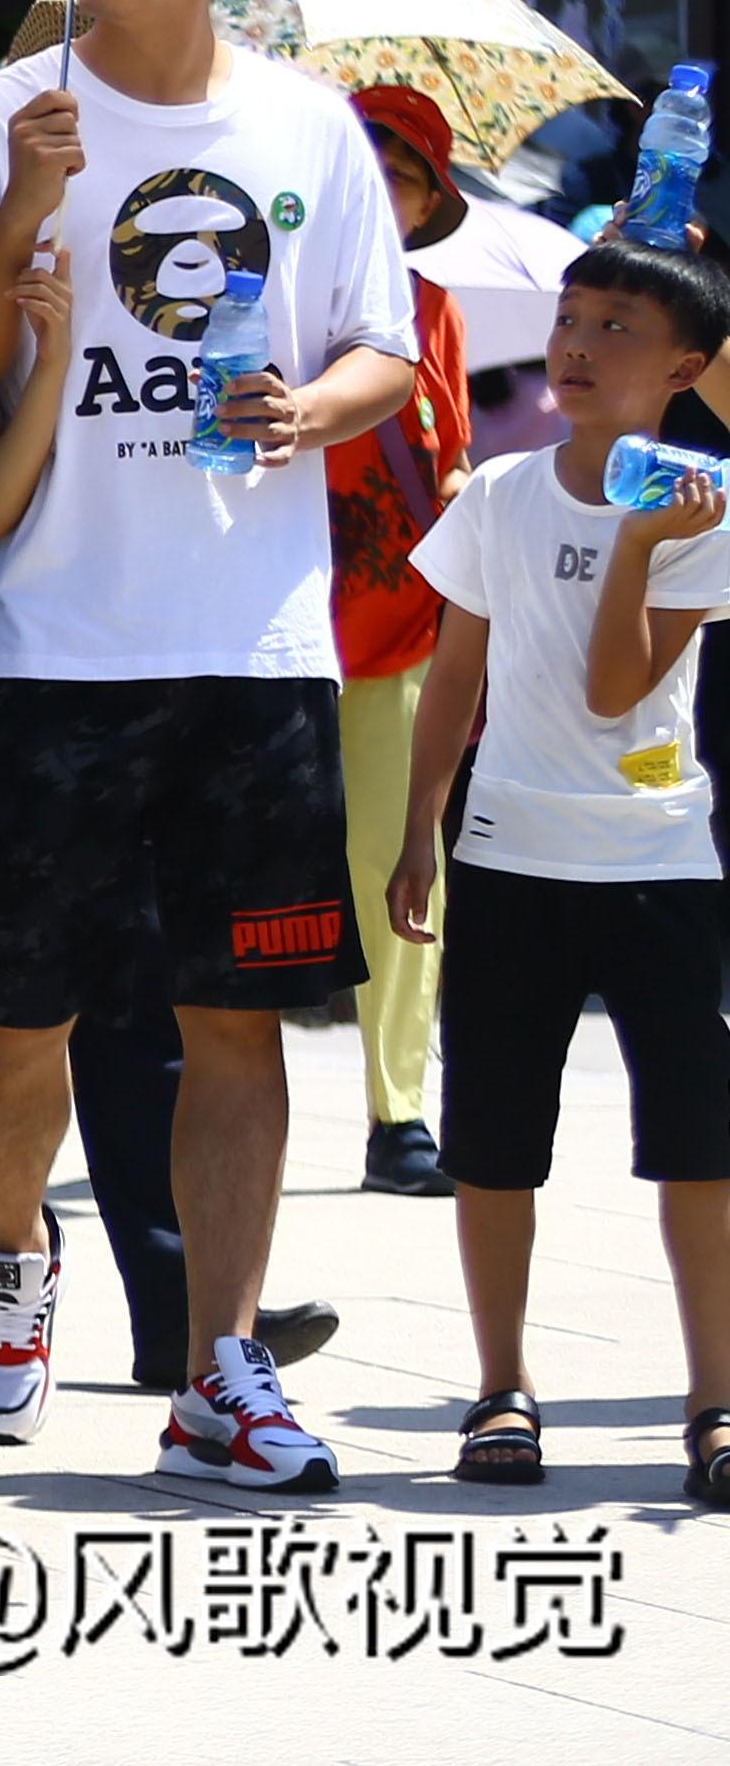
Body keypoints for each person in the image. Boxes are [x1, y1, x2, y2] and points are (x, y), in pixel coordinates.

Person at [0, 0, 417, 1489]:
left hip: (254, 649)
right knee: (14, 1019)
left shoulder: (305, 128)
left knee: (234, 1015)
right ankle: (8, 1249)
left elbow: (382, 352)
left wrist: (308, 411)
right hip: (54, 643)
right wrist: (13, 219)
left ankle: (220, 1363)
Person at [390, 239, 730, 1501]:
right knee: (496, 1142)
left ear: (685, 368)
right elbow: (455, 675)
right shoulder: (499, 492)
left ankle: (714, 1400)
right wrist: (422, 824)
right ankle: (502, 1389)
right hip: (513, 857)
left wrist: (638, 542)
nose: (579, 347)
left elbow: (610, 689)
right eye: (572, 320)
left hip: (660, 862)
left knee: (698, 1143)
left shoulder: (704, 501)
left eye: (619, 329)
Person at [335, 82, 476, 1198]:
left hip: (402, 633)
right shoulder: (272, 292)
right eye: (363, 169)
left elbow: (453, 457)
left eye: (403, 176)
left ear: (430, 202)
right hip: (269, 635)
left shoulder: (436, 314)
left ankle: (400, 1113)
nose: (383, 195)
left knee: (401, 873)